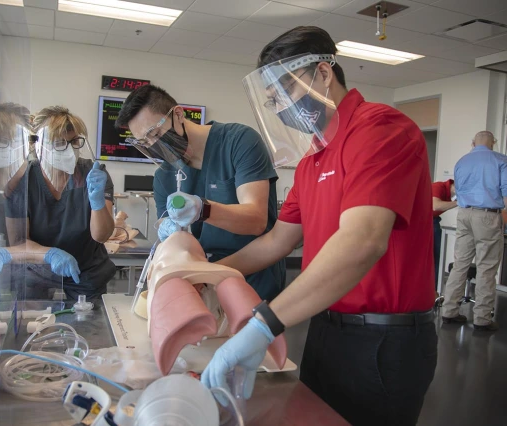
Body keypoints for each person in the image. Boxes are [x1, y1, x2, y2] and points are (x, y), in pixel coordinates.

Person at [200, 26, 437, 426]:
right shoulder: (312, 159)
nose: (280, 110)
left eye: (284, 94)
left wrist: (264, 325)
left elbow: (362, 241)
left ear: (324, 74)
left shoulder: (380, 130)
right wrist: (210, 274)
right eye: (271, 101)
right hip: (326, 326)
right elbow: (277, 240)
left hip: (383, 338)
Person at [115, 85, 285, 301]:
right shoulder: (164, 176)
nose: (153, 146)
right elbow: (172, 240)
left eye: (155, 134)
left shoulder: (239, 142)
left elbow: (255, 220)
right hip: (201, 286)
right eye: (144, 142)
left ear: (178, 114)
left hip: (253, 284)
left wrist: (202, 209)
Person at [0, 106, 116, 300]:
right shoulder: (24, 178)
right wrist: (49, 254)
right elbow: (19, 241)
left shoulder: (93, 174)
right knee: (34, 323)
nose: (70, 150)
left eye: (74, 142)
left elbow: (102, 235)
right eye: (60, 143)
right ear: (39, 146)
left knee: (88, 324)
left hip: (86, 272)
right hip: (37, 271)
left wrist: (97, 204)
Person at [441, 131, 506, 331]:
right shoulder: (500, 160)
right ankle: (482, 318)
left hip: (464, 214)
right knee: (487, 267)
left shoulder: (462, 161)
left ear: (472, 143)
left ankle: (449, 311)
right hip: (487, 216)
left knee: (460, 263)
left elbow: (458, 191)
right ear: (493, 142)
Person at [432, 179, 456, 288]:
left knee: (438, 256)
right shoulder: (439, 187)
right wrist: (459, 202)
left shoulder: (451, 196)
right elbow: (435, 206)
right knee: (435, 256)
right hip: (422, 221)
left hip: (433, 220)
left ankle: (434, 289)